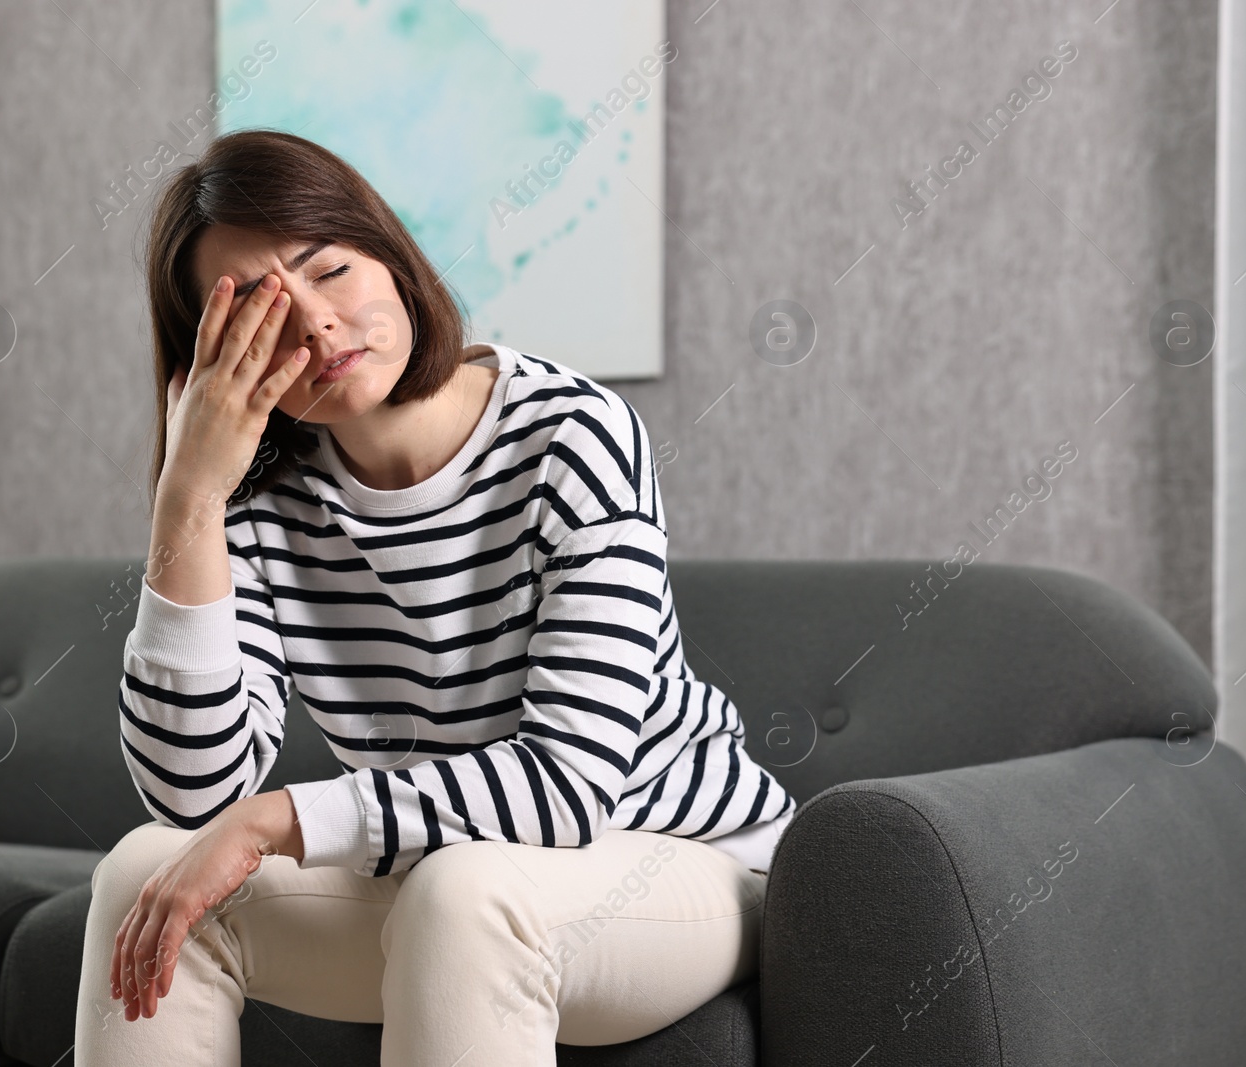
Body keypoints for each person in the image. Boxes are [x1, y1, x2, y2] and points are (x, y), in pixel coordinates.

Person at [73, 128, 796, 1067]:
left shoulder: (574, 435)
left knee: (466, 893)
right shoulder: (258, 499)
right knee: (144, 869)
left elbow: (569, 788)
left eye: (330, 270)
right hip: (440, 868)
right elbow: (194, 794)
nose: (316, 328)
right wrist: (191, 499)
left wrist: (274, 820)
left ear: (391, 252)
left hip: (674, 863)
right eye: (257, 313)